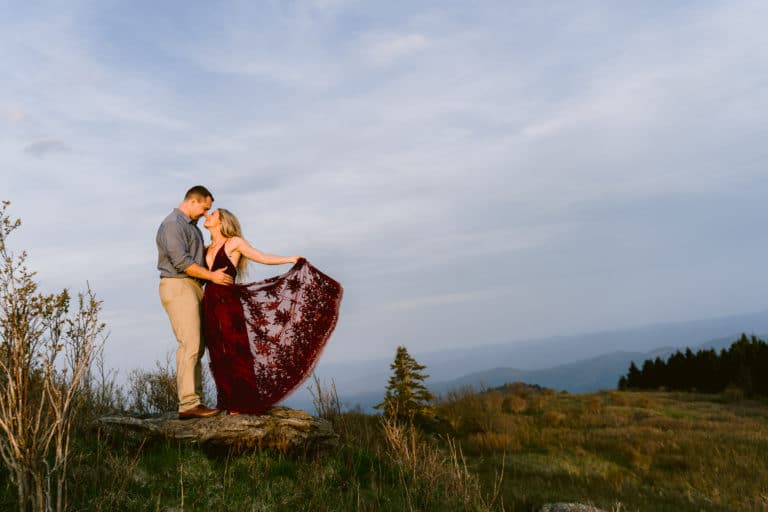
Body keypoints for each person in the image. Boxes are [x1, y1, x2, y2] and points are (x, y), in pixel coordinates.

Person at [201, 207, 343, 415]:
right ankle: (227, 400)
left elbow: (262, 257)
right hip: (210, 303)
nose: (207, 215)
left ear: (222, 222)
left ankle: (243, 402)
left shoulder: (234, 243)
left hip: (228, 302)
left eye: (212, 214)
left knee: (235, 348)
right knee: (217, 351)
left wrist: (290, 259)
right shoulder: (205, 248)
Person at [156, 186, 233, 419]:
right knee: (189, 344)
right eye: (204, 208)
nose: (205, 213)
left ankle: (195, 401)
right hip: (178, 285)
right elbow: (181, 261)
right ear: (192, 201)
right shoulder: (173, 225)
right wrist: (212, 276)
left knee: (198, 345)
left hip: (193, 287)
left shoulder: (191, 228)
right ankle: (188, 404)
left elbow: (196, 256)